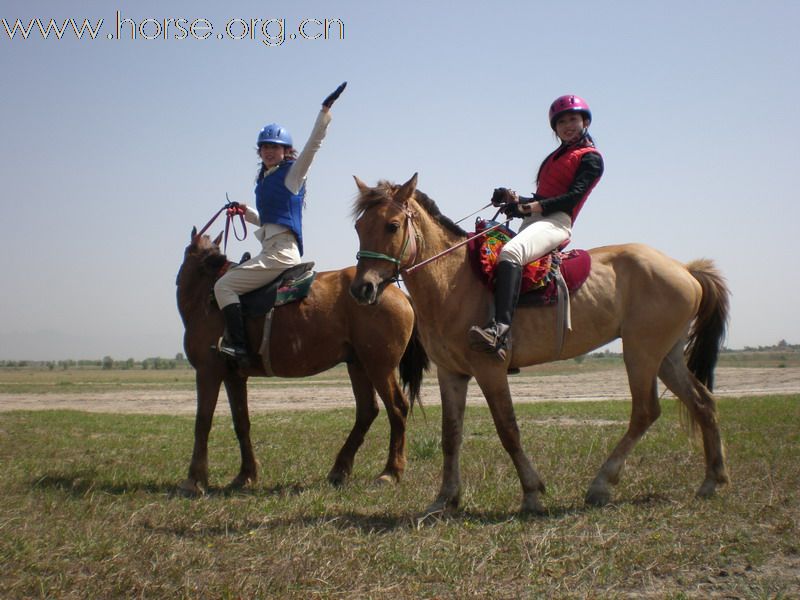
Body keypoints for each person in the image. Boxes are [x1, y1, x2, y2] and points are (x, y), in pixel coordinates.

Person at [214, 82, 347, 367]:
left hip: (280, 253)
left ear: (286, 151)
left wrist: (324, 113)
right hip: (270, 249)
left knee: (223, 287)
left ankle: (238, 346)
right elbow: (270, 221)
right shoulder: (264, 182)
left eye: (275, 147)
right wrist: (245, 212)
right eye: (264, 147)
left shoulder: (291, 174)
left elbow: (313, 146)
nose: (269, 151)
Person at [468, 94, 604, 361]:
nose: (568, 125)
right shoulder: (555, 157)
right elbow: (543, 198)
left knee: (511, 253)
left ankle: (500, 330)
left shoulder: (591, 159)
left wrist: (526, 208)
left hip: (557, 223)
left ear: (584, 121)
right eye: (562, 121)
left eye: (573, 119)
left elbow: (571, 198)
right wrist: (514, 200)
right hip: (536, 222)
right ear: (555, 127)